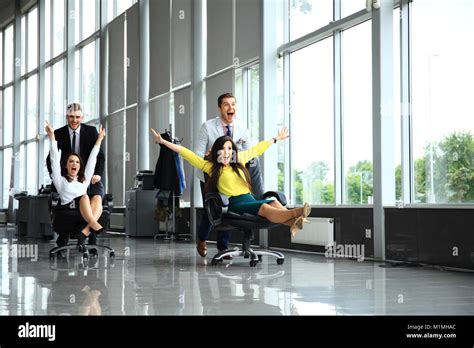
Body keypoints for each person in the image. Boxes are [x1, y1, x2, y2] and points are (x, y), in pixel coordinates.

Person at [151, 127, 311, 236]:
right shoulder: (210, 167)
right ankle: (297, 213)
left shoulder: (239, 160)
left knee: (274, 202)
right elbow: (186, 153)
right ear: (217, 151)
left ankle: (293, 224)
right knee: (264, 206)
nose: (226, 152)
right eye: (223, 149)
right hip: (234, 203)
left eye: (229, 148)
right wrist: (163, 142)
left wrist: (276, 138)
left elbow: (257, 149)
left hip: (249, 199)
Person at [194, 92, 263, 258]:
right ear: (220, 108)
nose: (230, 107)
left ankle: (222, 248)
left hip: (231, 174)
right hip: (210, 174)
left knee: (229, 205)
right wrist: (209, 155)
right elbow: (197, 153)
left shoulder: (241, 127)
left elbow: (250, 151)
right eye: (226, 104)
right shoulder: (208, 127)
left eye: (233, 104)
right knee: (212, 209)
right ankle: (202, 238)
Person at [46, 103, 105, 248]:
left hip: (86, 177)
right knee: (78, 198)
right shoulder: (59, 133)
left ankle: (87, 233)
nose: (74, 120)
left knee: (97, 197)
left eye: (77, 117)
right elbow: (51, 159)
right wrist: (57, 176)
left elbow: (97, 157)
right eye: (71, 117)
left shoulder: (91, 132)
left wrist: (97, 174)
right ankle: (69, 234)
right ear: (67, 117)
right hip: (65, 178)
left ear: (82, 117)